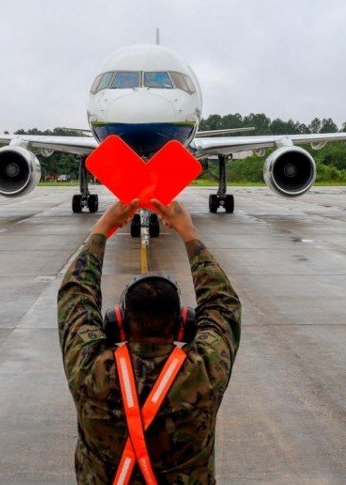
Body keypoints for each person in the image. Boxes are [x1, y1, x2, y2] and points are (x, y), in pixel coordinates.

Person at [57, 199, 241, 483]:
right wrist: (188, 232)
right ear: (184, 325)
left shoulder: (88, 368)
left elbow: (75, 298)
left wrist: (103, 228)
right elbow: (223, 306)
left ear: (117, 322)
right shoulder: (203, 372)